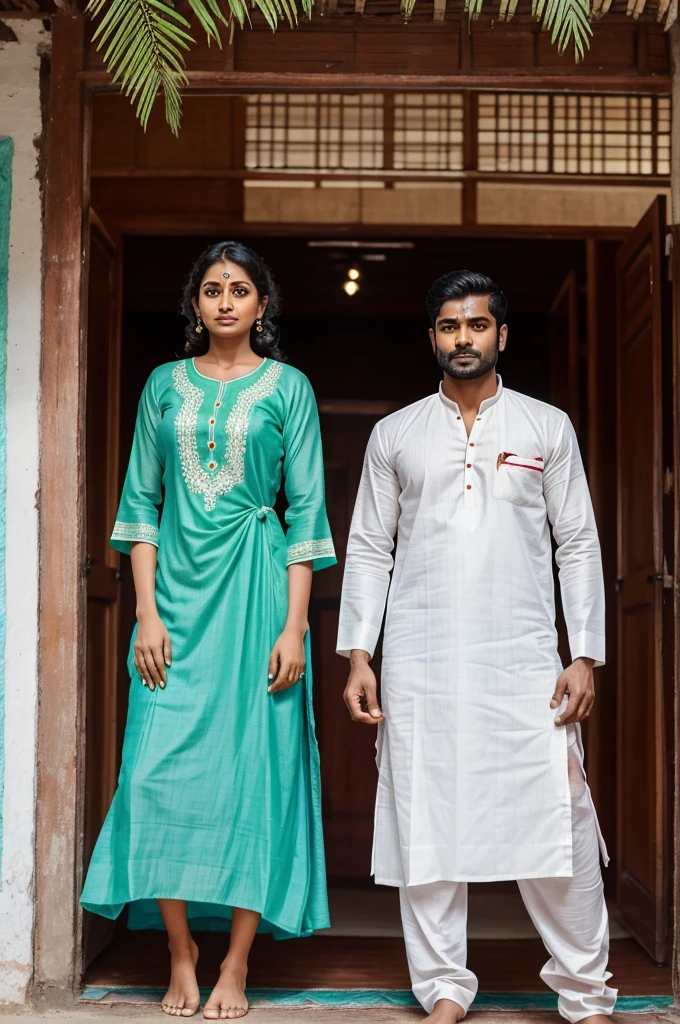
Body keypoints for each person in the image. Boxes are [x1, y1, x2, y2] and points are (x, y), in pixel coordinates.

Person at [337, 270, 615, 1024]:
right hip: (422, 659)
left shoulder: (545, 427)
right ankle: (445, 989)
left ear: (502, 335)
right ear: (433, 337)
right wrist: (360, 653)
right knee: (426, 813)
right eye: (451, 327)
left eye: (478, 325)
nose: (465, 338)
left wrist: (583, 652)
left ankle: (586, 992)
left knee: (558, 815)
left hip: (523, 658)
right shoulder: (395, 433)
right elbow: (368, 547)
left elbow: (578, 545)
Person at [81, 241, 336, 1020]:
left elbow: (306, 515)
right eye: (212, 290)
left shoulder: (288, 388)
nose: (226, 301)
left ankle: (234, 963)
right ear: (195, 304)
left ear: (263, 306)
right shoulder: (163, 386)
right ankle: (179, 946)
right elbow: (140, 508)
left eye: (241, 290)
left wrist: (295, 628)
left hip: (260, 598)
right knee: (156, 771)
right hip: (177, 611)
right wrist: (146, 614)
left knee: (257, 773)